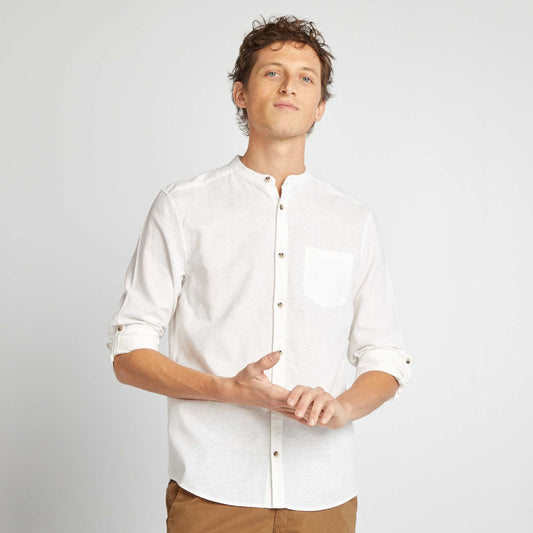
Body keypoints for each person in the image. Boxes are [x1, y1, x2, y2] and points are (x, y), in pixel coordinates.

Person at [106, 14, 413, 533]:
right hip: (214, 491)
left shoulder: (352, 220)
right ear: (240, 94)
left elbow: (385, 355)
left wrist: (342, 407)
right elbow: (129, 352)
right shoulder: (182, 207)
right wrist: (229, 390)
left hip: (324, 495)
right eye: (272, 72)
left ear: (319, 107)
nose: (290, 85)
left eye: (306, 77)